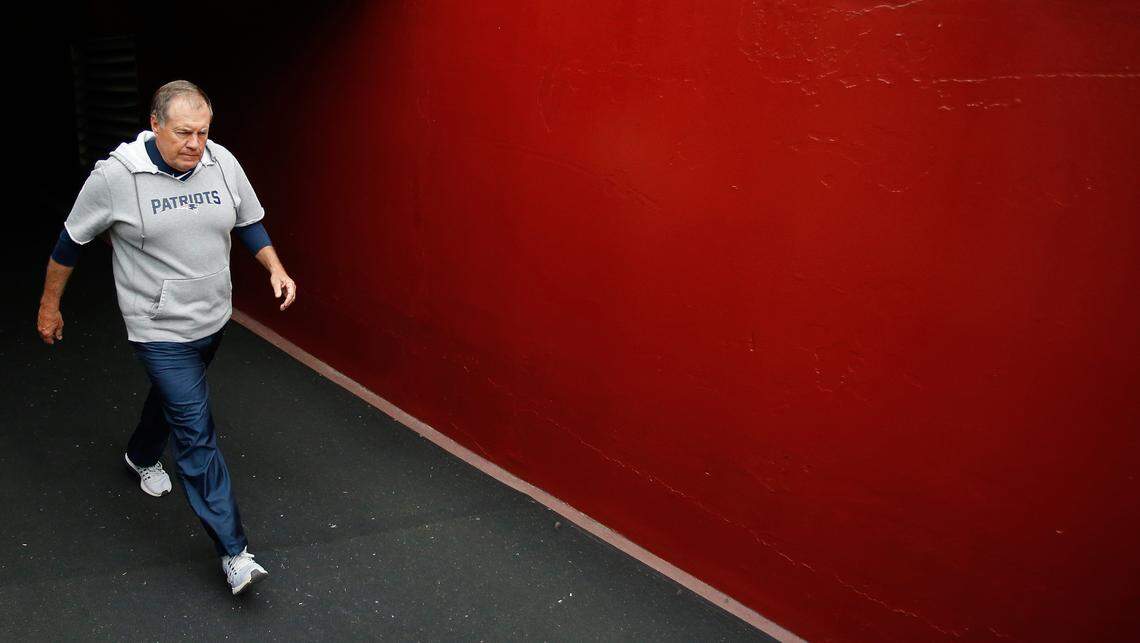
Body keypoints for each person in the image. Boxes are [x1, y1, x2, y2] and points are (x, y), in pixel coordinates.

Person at [36, 80, 296, 596]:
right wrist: (49, 306)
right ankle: (234, 552)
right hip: (158, 328)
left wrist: (275, 267)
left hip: (211, 317)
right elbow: (71, 241)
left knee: (175, 401)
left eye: (203, 132)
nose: (195, 143)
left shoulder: (221, 160)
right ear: (154, 125)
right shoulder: (116, 177)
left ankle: (140, 454)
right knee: (196, 434)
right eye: (183, 133)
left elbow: (248, 221)